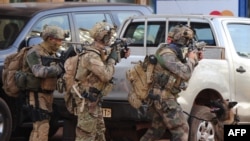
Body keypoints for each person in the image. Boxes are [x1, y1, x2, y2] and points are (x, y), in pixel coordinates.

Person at [140, 24, 203, 141]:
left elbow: (183, 74)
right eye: (187, 41)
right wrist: (191, 59)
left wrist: (195, 60)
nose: (188, 43)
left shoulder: (173, 53)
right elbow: (185, 73)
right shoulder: (167, 54)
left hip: (163, 98)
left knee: (156, 131)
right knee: (182, 130)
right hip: (163, 99)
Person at [69, 21, 130, 141]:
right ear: (104, 37)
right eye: (109, 36)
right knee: (86, 136)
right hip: (86, 102)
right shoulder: (91, 56)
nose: (110, 39)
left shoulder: (98, 52)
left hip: (94, 100)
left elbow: (104, 63)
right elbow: (106, 75)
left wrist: (119, 55)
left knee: (99, 133)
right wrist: (112, 59)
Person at [25, 25, 65, 141]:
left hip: (48, 94)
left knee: (39, 128)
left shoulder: (52, 53)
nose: (60, 43)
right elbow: (38, 71)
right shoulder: (34, 52)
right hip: (37, 95)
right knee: (42, 127)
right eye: (58, 40)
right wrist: (59, 68)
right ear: (50, 39)